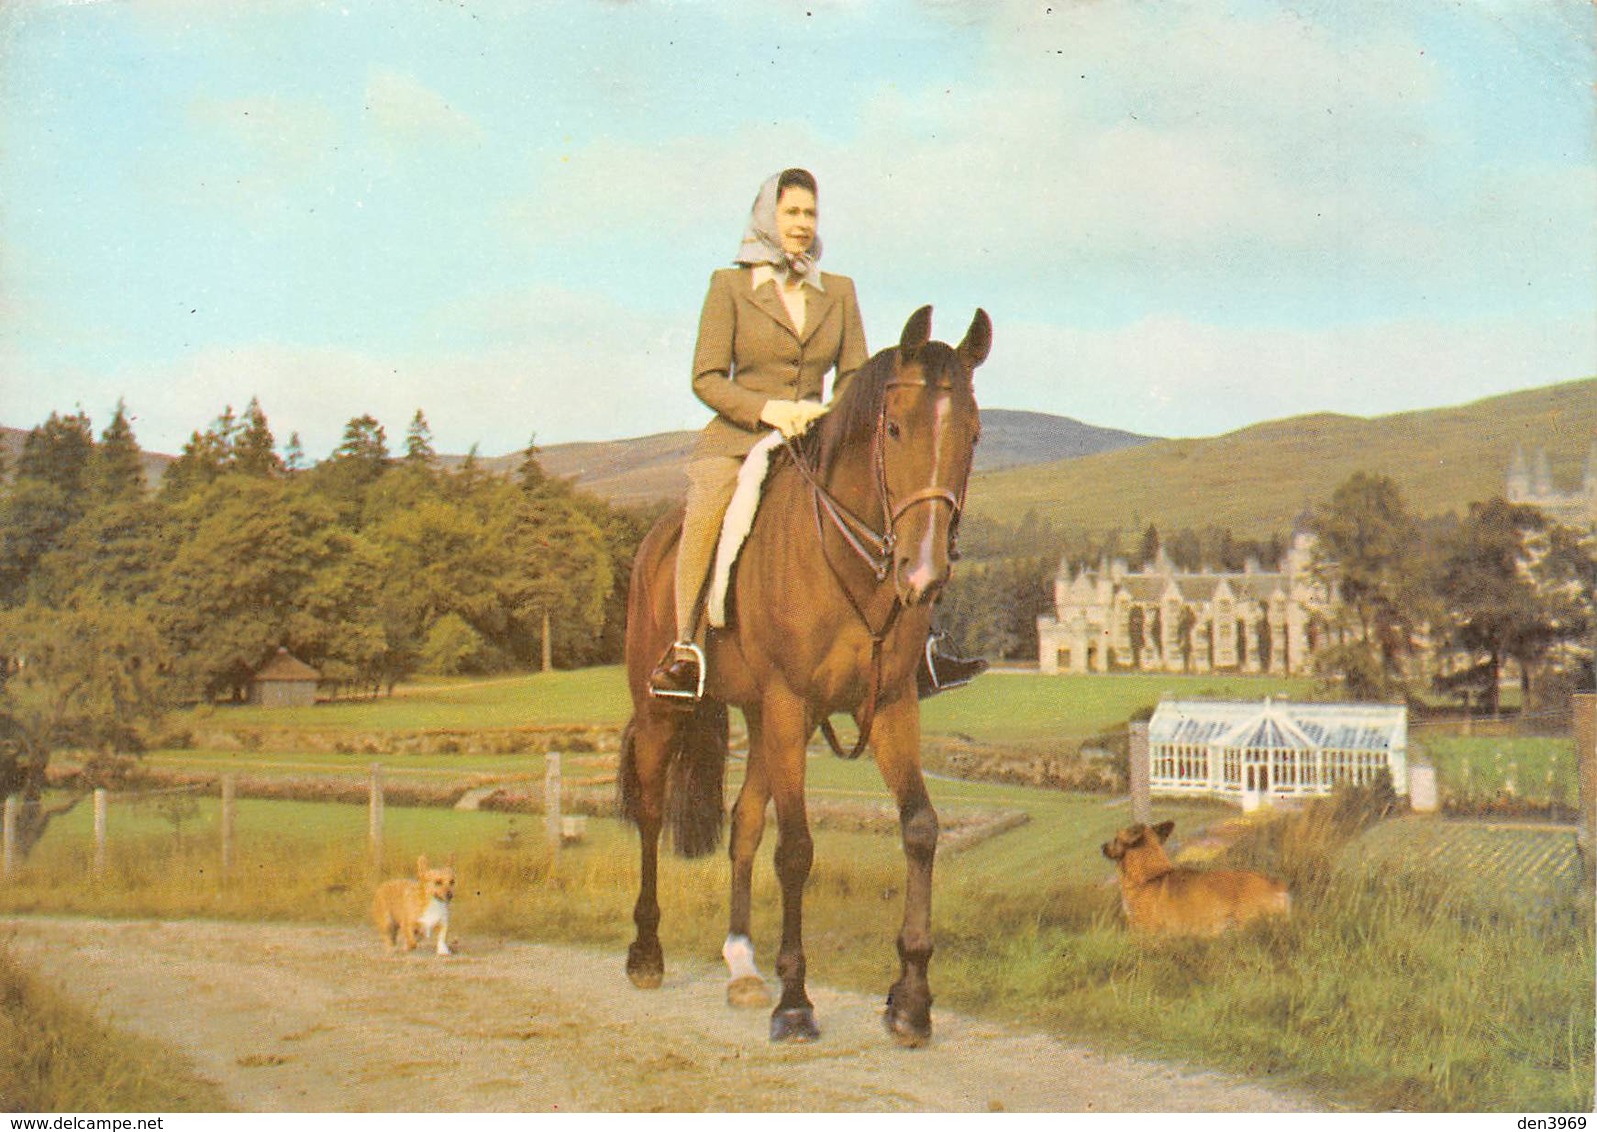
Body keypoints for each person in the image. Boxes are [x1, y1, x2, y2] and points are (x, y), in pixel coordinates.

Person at [648, 168, 986, 702]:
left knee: (902, 504)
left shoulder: (838, 291)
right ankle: (686, 646)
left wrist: (828, 413)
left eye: (810, 214)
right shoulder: (730, 287)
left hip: (816, 436)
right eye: (791, 213)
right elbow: (706, 377)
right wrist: (769, 410)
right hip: (740, 436)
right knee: (712, 500)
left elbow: (855, 376)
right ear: (768, 217)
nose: (802, 224)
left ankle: (919, 650)